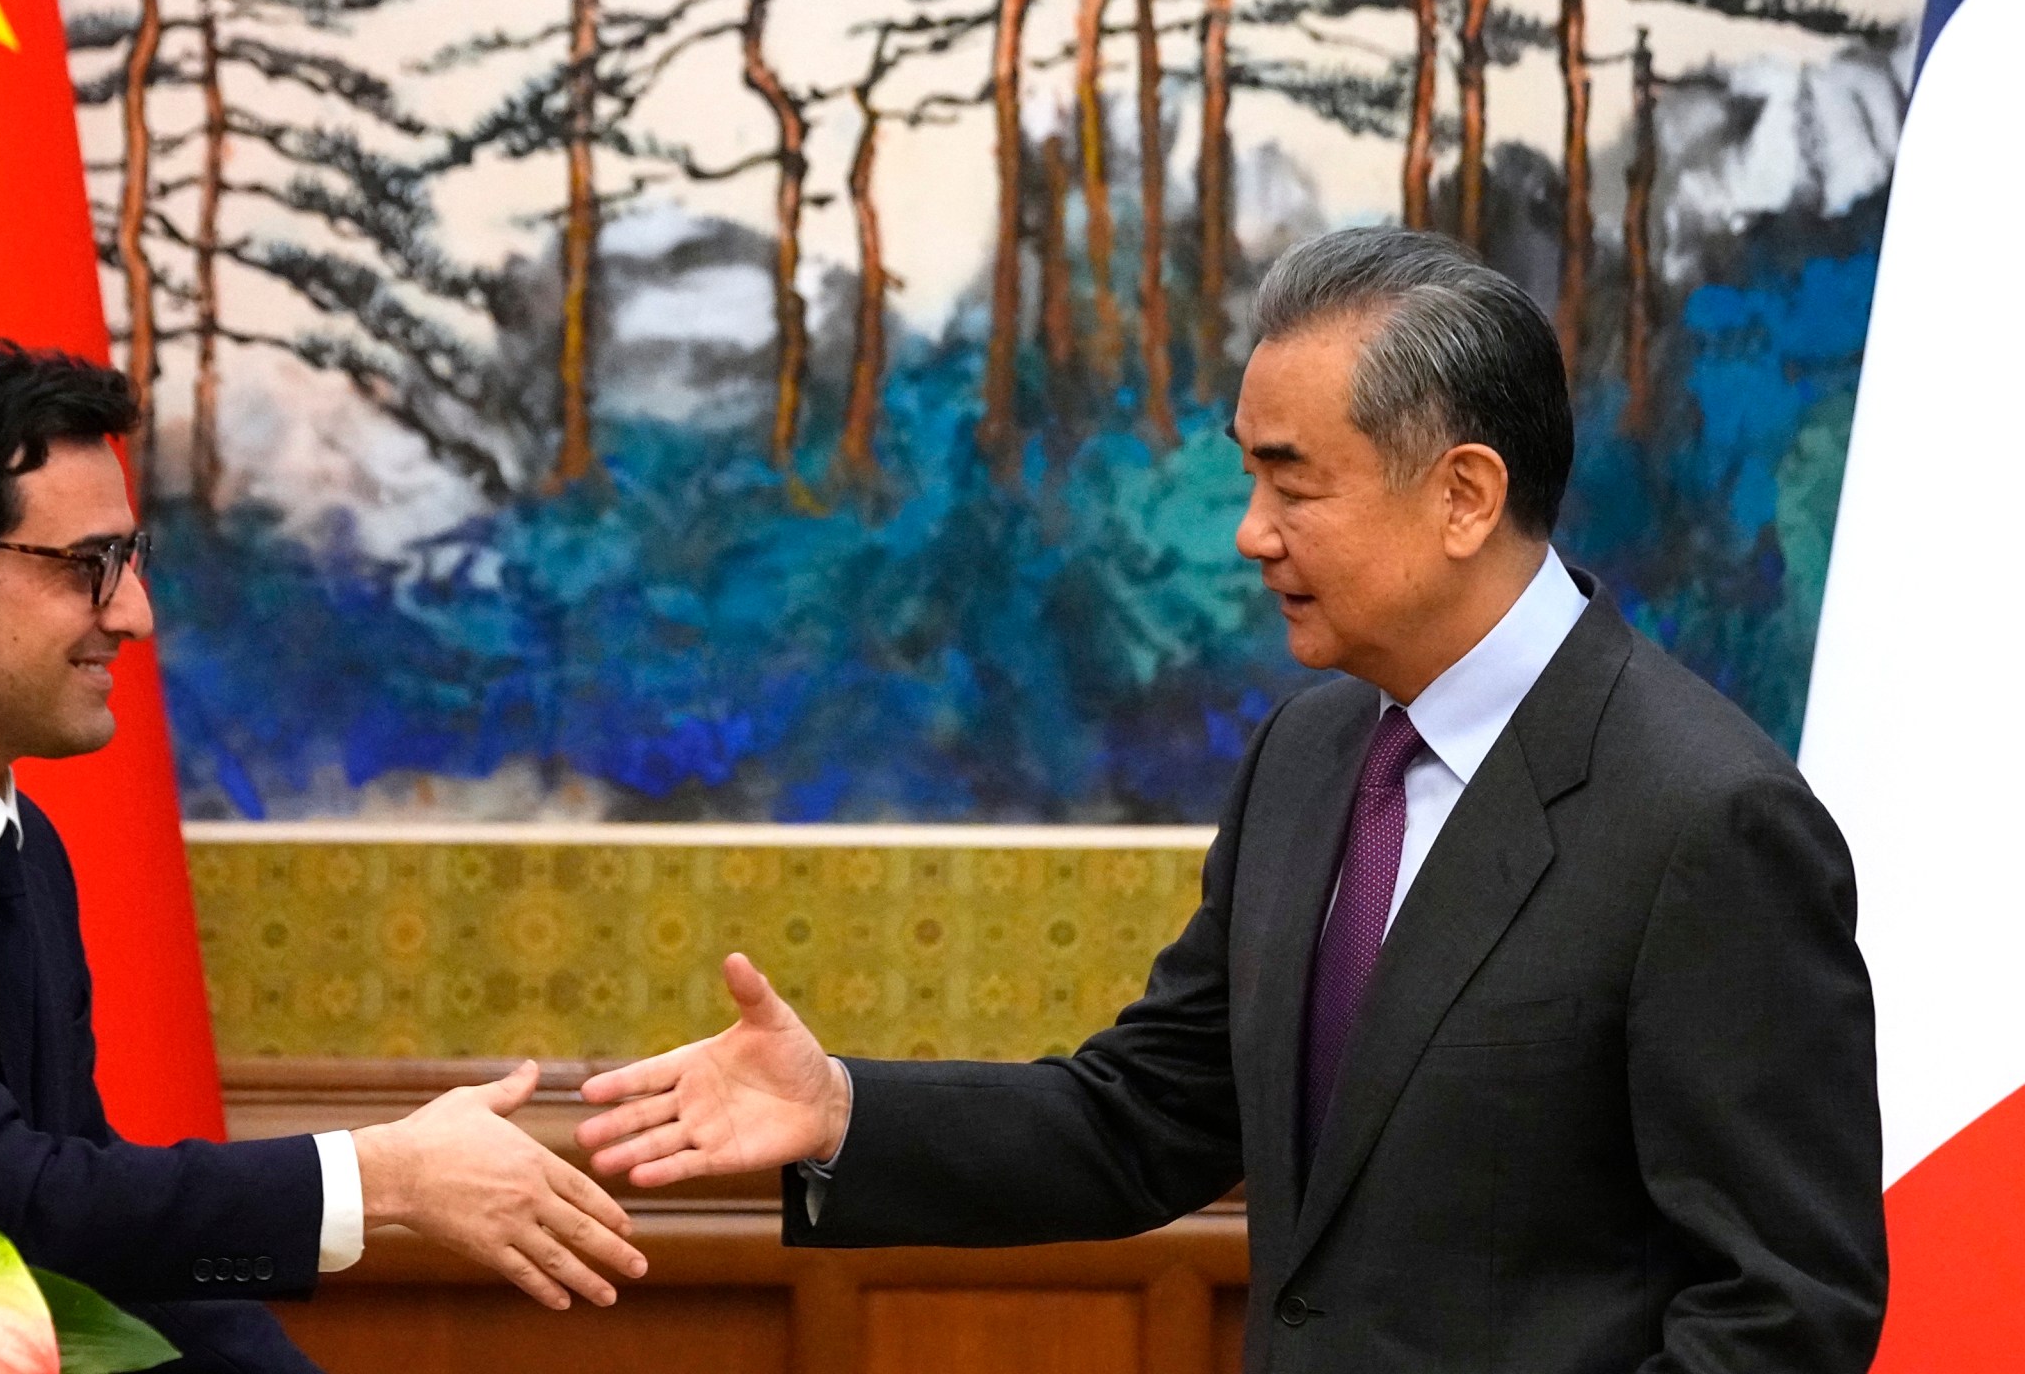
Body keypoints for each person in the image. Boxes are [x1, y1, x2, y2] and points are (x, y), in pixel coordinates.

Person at [575, 229, 1888, 1373]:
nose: (1249, 531)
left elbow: (1785, 1312)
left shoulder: (1708, 820)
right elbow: (1148, 1118)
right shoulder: (1313, 754)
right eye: (1247, 477)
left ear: (1464, 496)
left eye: (1292, 480)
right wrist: (843, 1110)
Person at [0, 342, 645, 1373]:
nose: (132, 614)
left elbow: (100, 1249)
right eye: (88, 566)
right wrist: (379, 1178)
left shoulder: (16, 843)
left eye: (128, 561)